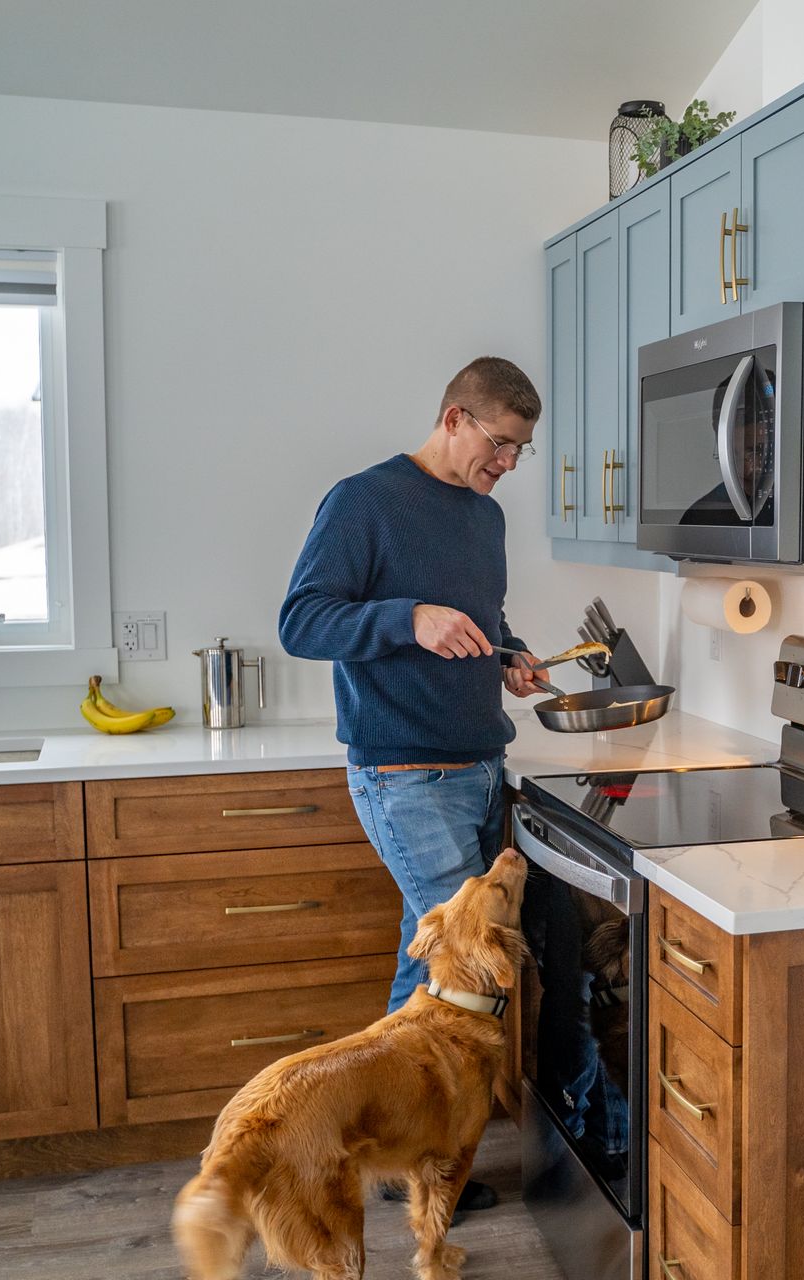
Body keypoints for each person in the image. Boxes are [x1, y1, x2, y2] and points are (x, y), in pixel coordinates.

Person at [278, 355, 552, 1211]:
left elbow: (482, 616)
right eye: (500, 445)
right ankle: (424, 1163)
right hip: (404, 775)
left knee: (425, 978)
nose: (506, 465)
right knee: (466, 973)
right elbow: (302, 621)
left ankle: (387, 1154)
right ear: (454, 419)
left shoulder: (485, 520)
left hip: (478, 768)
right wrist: (409, 619)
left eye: (519, 452)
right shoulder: (364, 501)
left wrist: (509, 654)